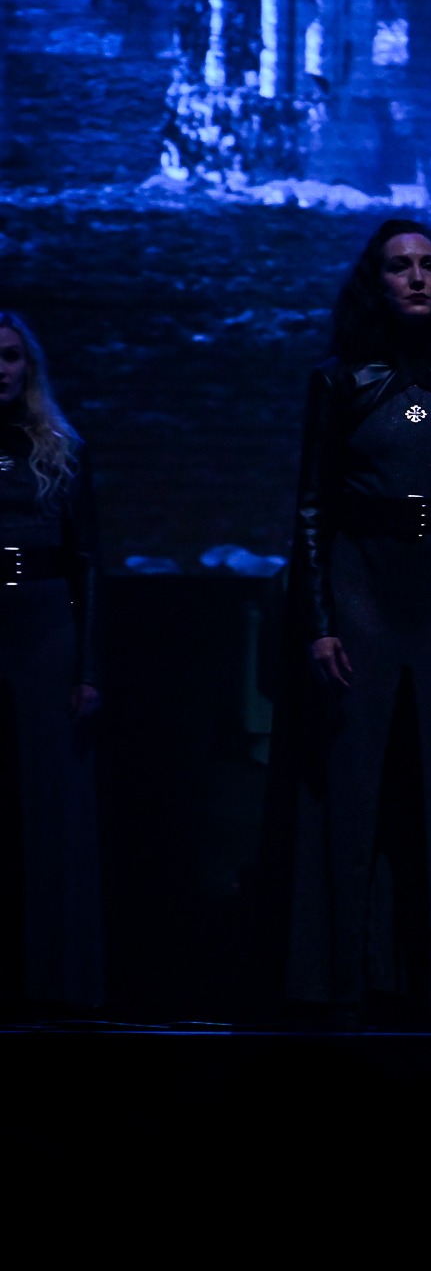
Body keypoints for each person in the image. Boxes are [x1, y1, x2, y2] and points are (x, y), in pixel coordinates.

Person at [283, 219, 431, 1023]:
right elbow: (312, 505)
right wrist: (319, 620)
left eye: (429, 265)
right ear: (376, 280)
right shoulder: (339, 379)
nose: (416, 278)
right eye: (399, 266)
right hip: (363, 583)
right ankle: (338, 981)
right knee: (352, 790)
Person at [0, 312, 102, 1011]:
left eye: (9, 357)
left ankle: (59, 988)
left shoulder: (61, 447)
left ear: (27, 367)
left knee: (52, 809)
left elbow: (88, 563)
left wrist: (89, 670)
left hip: (43, 623)